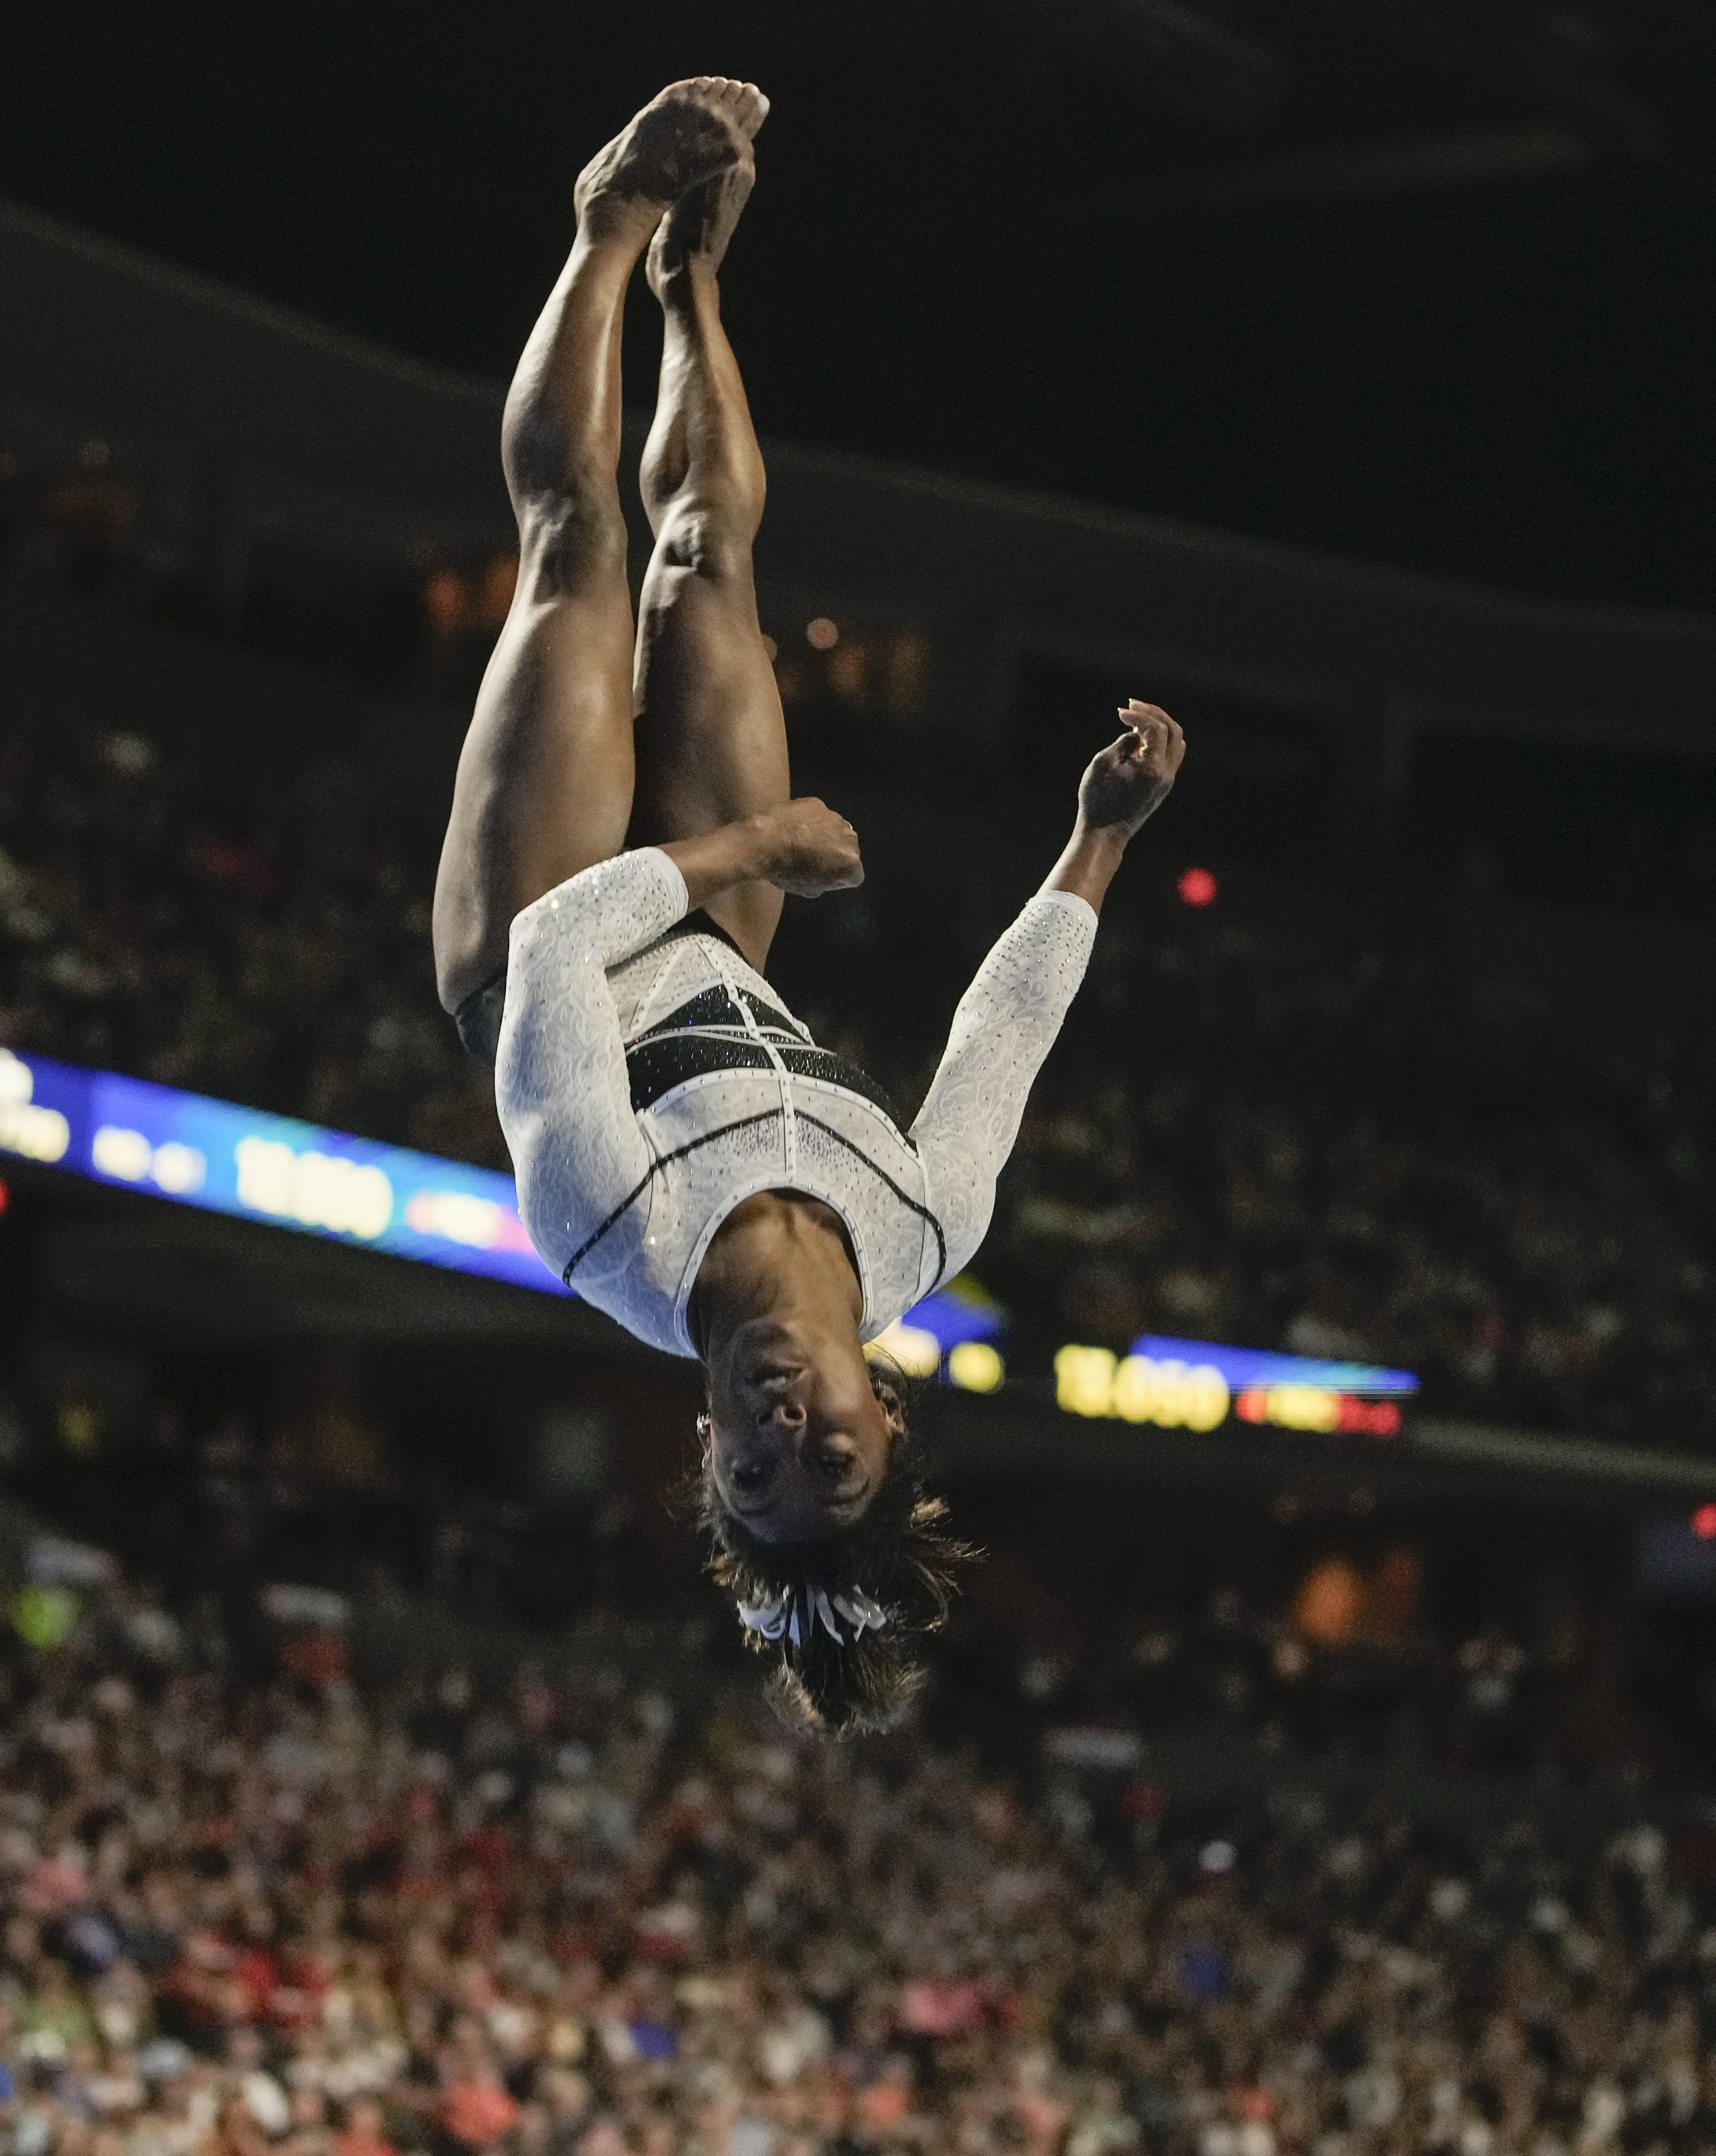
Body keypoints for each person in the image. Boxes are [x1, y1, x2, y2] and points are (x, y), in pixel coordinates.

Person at [430, 78, 1185, 1731]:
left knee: (577, 551)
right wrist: (1095, 844)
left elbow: (562, 951)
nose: (782, 1429)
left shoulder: (609, 1242)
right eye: (821, 1452)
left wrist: (749, 847)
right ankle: (693, 277)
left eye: (754, 1468)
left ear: (708, 1449)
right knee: (711, 565)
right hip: (719, 932)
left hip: (543, 932)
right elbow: (1002, 1033)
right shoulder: (923, 1228)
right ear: (882, 1412)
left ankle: (606, 217)